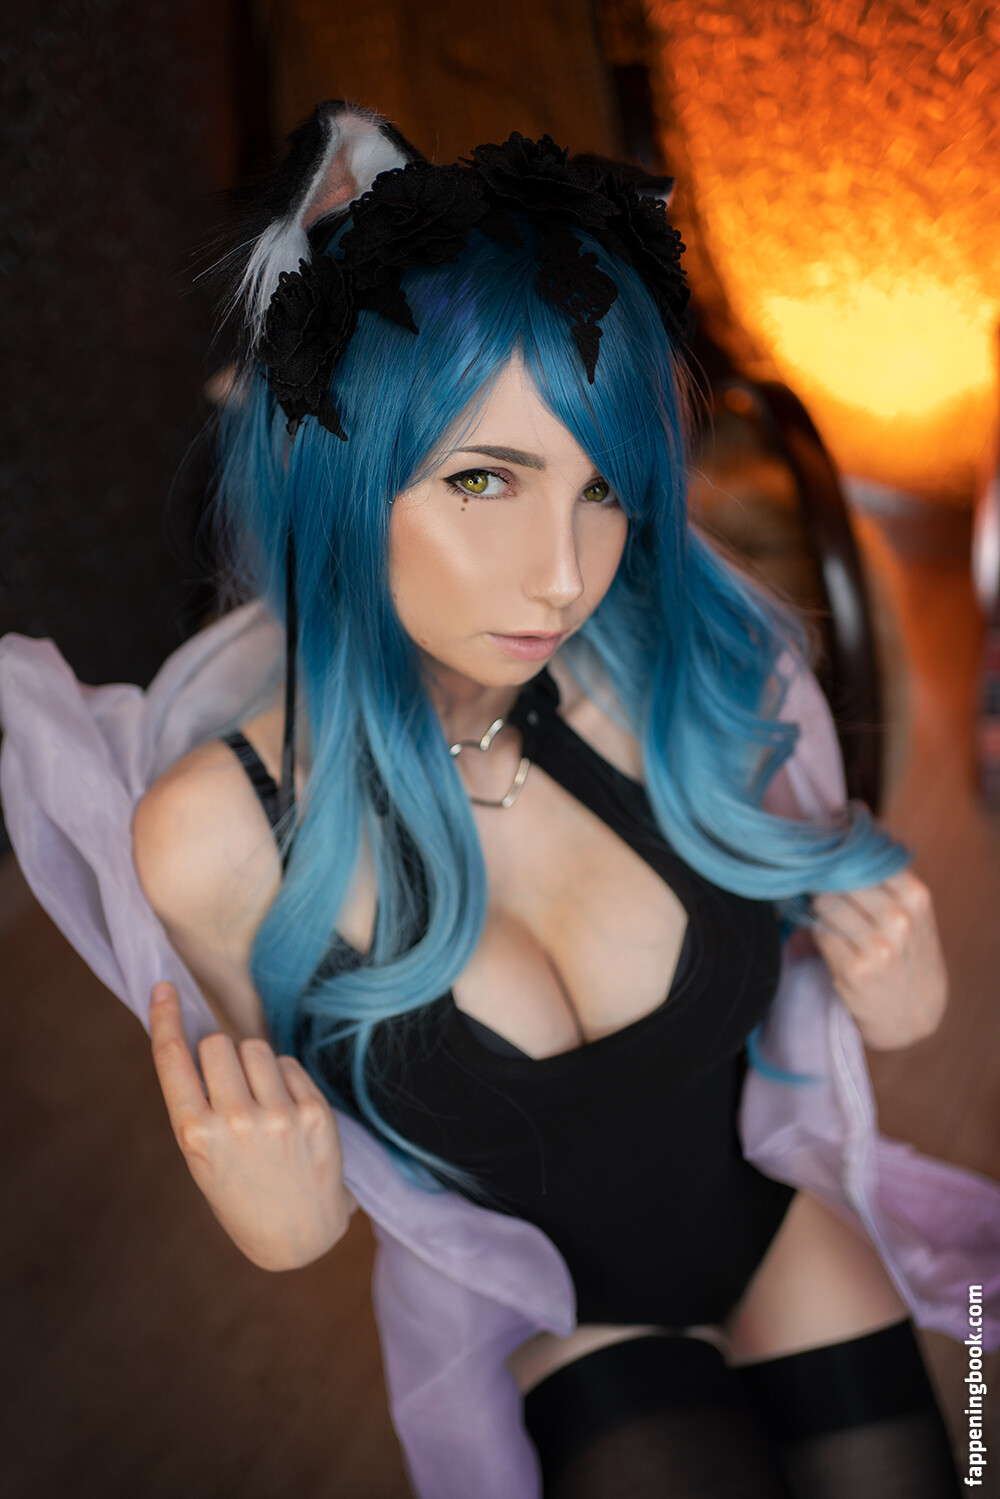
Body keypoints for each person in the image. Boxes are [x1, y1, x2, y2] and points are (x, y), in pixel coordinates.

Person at [1, 102, 992, 1498]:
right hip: (556, 1322)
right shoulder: (217, 838)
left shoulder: (672, 677)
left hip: (788, 1243)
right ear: (340, 480)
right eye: (483, 479)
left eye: (602, 488)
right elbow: (294, 1140)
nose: (563, 574)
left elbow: (818, 963)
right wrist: (287, 1228)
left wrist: (898, 1001)